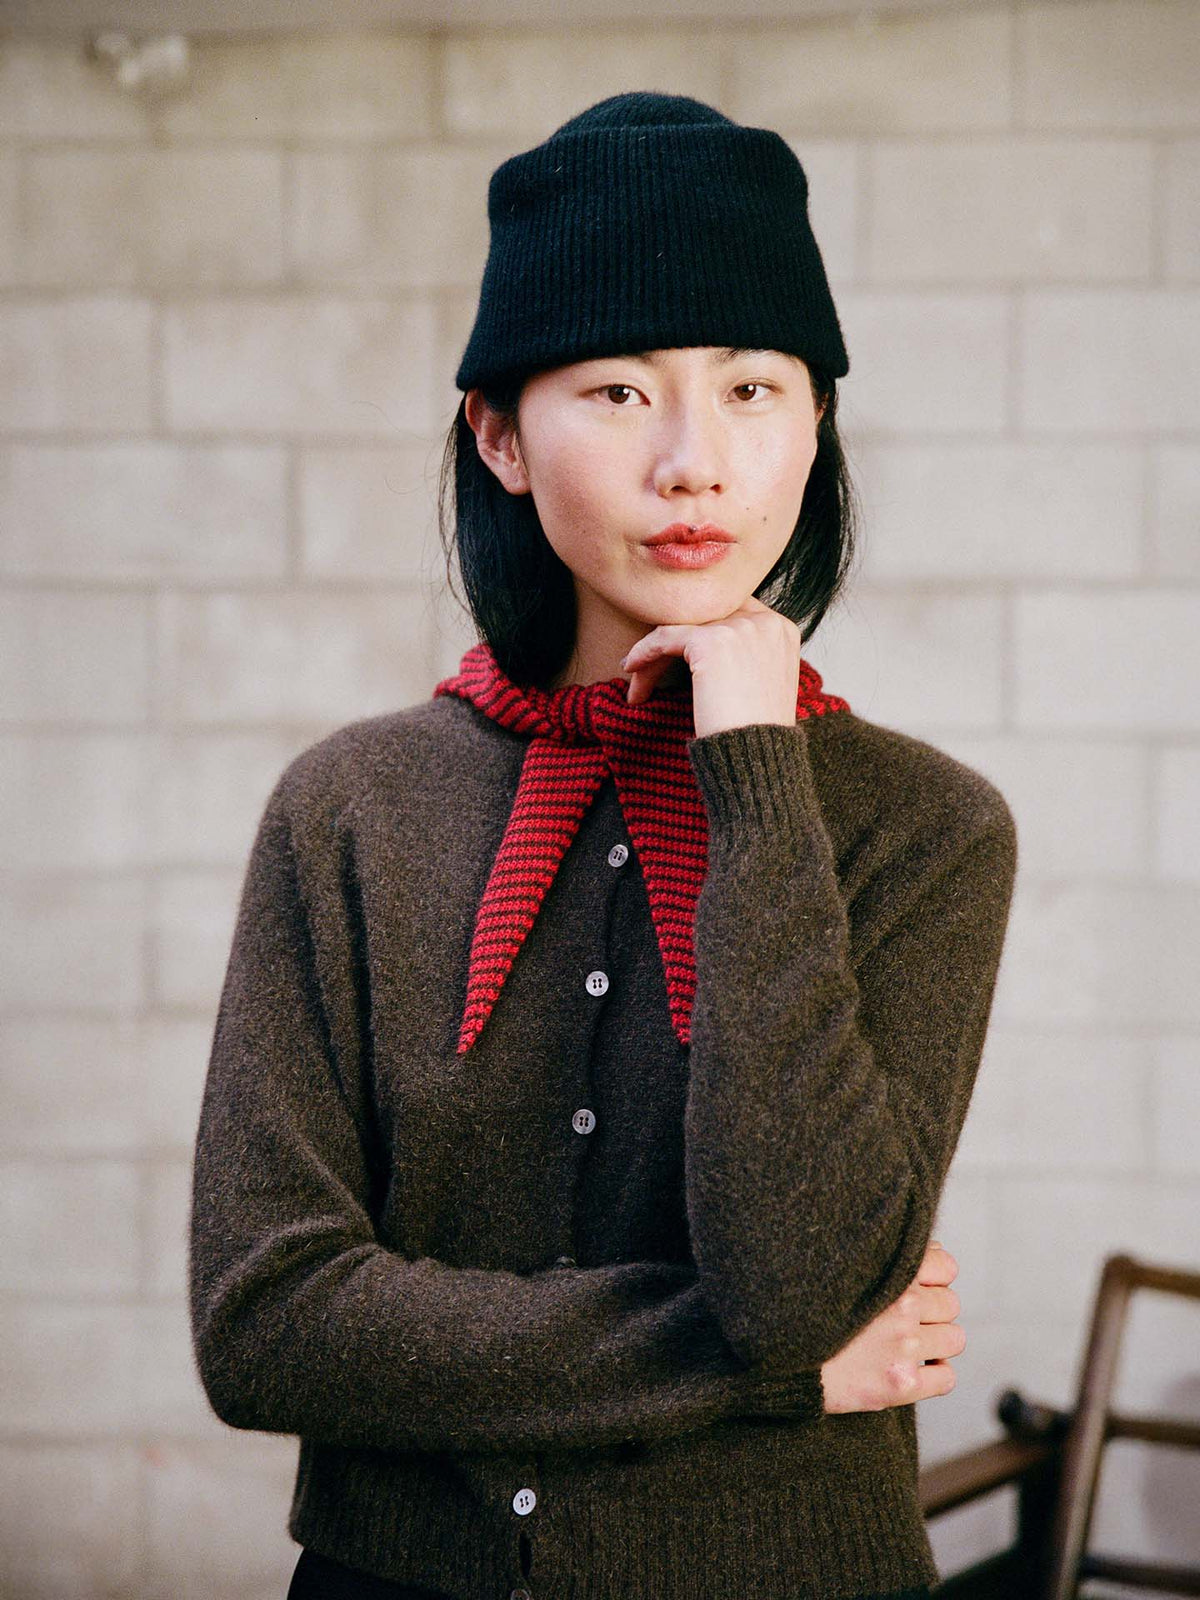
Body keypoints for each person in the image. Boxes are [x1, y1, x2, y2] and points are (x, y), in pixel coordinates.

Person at [187, 91, 1018, 1600]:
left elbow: (800, 1281)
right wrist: (759, 1375)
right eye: (621, 392)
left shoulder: (925, 828)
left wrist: (756, 765)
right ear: (499, 436)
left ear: (818, 422)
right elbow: (270, 1324)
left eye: (756, 389)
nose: (695, 461)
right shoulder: (352, 810)